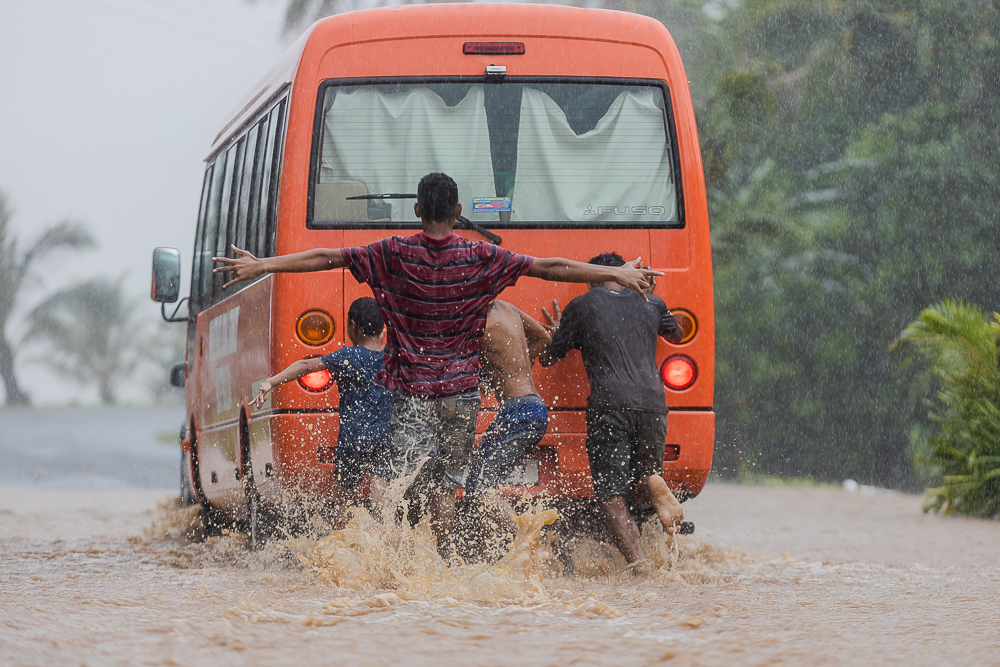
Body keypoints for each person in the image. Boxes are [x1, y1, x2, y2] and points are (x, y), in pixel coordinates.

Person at [214, 172, 662, 558]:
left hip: (413, 393)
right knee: (449, 483)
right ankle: (444, 560)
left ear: (416, 210)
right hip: (462, 396)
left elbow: (326, 257)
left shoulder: (392, 253)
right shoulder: (480, 257)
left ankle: (394, 561)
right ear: (458, 211)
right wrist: (615, 274)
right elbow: (551, 268)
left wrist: (263, 264)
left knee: (397, 479)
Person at [540, 251, 685, 576]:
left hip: (610, 406)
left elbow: (548, 358)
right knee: (641, 478)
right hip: (653, 405)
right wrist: (653, 300)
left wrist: (559, 332)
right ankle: (652, 479)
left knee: (611, 495)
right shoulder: (651, 302)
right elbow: (676, 334)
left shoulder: (582, 305)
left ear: (591, 278)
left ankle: (641, 568)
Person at [252, 297, 391, 529]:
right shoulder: (391, 359)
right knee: (382, 505)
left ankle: (342, 544)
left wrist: (271, 382)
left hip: (352, 442)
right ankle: (390, 543)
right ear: (382, 330)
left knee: (342, 507)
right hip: (383, 440)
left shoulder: (349, 356)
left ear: (352, 326)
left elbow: (306, 366)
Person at [461, 300, 552, 559]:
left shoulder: (478, 322)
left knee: (479, 487)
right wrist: (512, 368)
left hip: (518, 412)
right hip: (534, 408)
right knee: (485, 483)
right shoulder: (509, 308)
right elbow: (544, 338)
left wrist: (492, 374)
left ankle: (531, 546)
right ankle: (487, 557)